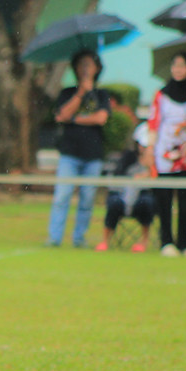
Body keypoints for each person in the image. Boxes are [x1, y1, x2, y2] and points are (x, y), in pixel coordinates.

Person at [45, 50, 110, 248]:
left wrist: (76, 119)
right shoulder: (67, 93)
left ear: (97, 68)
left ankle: (79, 238)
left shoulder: (101, 94)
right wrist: (81, 93)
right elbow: (62, 115)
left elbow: (101, 118)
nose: (85, 69)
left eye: (89, 64)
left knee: (87, 199)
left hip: (93, 154)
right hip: (69, 153)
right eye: (81, 64)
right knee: (62, 195)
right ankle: (54, 238)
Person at [148, 52, 186, 257]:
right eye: (175, 65)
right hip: (165, 154)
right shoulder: (162, 95)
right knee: (164, 199)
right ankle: (166, 241)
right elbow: (153, 123)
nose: (178, 70)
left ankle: (184, 242)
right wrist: (150, 149)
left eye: (182, 65)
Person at [95, 122, 155, 253]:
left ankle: (143, 241)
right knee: (114, 203)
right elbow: (118, 177)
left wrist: (148, 165)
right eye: (142, 145)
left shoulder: (156, 162)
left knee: (147, 203)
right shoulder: (128, 157)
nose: (144, 148)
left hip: (142, 196)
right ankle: (105, 241)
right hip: (123, 194)